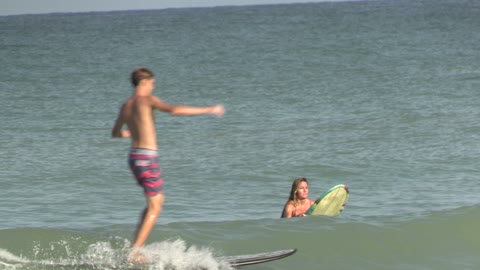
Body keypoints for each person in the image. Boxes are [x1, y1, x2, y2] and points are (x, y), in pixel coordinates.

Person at [111, 67, 224, 262]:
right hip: (147, 158)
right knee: (156, 207)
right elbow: (174, 110)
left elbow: (115, 133)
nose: (153, 87)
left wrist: (131, 133)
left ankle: (134, 246)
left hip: (135, 157)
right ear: (144, 82)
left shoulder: (126, 105)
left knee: (153, 204)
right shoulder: (147, 100)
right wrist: (208, 109)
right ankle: (134, 252)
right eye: (152, 83)